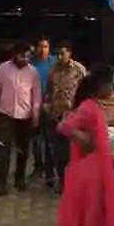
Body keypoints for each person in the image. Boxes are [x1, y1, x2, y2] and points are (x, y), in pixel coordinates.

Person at [56, 73, 114, 226]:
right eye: (110, 83)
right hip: (88, 175)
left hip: (95, 173)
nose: (112, 88)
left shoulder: (93, 106)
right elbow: (64, 126)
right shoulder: (88, 106)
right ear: (100, 84)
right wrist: (85, 141)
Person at [0, 42, 41, 196]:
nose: (25, 58)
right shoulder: (3, 69)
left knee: (23, 149)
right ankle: (0, 184)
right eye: (22, 55)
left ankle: (20, 179)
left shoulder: (33, 72)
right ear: (14, 55)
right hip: (6, 114)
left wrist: (36, 114)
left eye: (27, 56)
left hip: (25, 115)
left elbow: (36, 95)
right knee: (3, 149)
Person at [44, 41, 87, 192]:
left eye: (62, 53)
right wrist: (47, 105)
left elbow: (86, 92)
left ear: (70, 53)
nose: (60, 57)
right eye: (57, 54)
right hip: (56, 116)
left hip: (74, 117)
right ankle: (62, 181)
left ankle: (74, 182)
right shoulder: (52, 71)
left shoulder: (79, 70)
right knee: (58, 152)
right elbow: (48, 91)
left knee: (73, 152)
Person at [31, 37, 56, 179]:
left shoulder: (55, 62)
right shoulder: (31, 63)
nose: (42, 49)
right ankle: (38, 167)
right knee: (35, 139)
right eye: (40, 46)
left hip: (50, 105)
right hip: (34, 105)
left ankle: (49, 170)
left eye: (45, 46)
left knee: (49, 140)